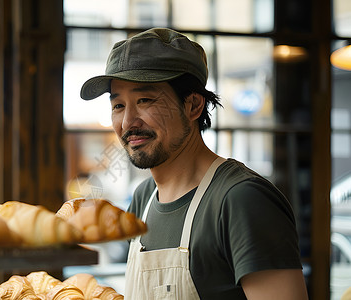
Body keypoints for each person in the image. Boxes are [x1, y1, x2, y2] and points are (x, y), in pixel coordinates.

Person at [79, 28, 309, 299]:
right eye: (118, 105)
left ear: (193, 105)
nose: (128, 122)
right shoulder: (144, 199)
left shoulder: (242, 199)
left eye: (145, 100)